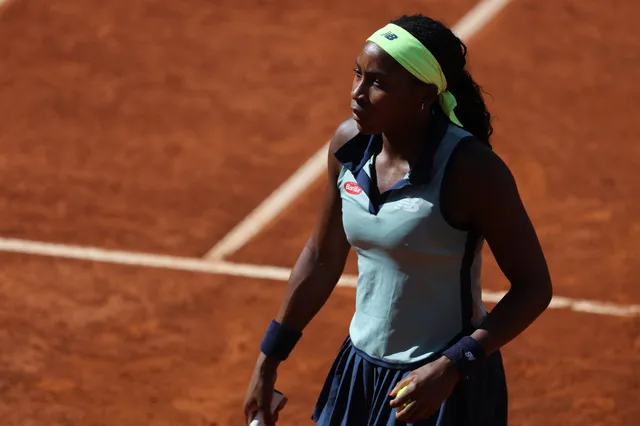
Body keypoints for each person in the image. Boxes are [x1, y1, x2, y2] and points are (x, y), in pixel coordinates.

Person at [243, 13, 552, 426]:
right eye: (358, 74)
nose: (358, 93)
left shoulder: (471, 170)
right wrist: (268, 358)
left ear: (423, 94)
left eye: (378, 83)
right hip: (359, 371)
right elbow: (322, 256)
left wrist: (452, 365)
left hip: (440, 383)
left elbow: (534, 287)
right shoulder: (349, 146)